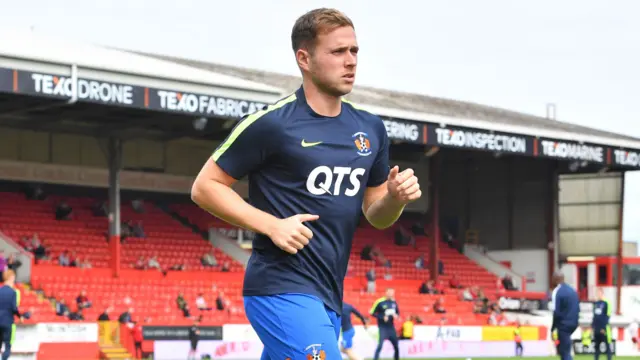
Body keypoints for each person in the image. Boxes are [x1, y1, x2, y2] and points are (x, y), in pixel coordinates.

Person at [190, 8, 421, 360]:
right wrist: (272, 225)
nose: (350, 61)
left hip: (328, 294)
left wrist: (394, 197)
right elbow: (205, 186)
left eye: (354, 51)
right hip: (279, 288)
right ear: (304, 58)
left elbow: (377, 216)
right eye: (337, 52)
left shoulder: (370, 129)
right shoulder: (272, 124)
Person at [550, 271, 579, 360]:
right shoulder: (572, 290)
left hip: (563, 324)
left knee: (564, 352)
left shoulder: (557, 291)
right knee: (565, 348)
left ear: (555, 279)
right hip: (573, 323)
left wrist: (553, 328)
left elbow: (556, 311)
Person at [370, 288, 400, 360]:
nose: (391, 294)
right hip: (382, 327)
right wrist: (382, 317)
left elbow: (398, 313)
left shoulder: (394, 302)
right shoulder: (380, 302)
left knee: (396, 346)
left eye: (392, 293)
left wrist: (396, 316)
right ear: (386, 293)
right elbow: (372, 313)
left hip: (391, 327)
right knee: (380, 346)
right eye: (389, 292)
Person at [0, 270, 22, 360]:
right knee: (7, 347)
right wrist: (20, 316)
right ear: (11, 278)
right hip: (7, 322)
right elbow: (14, 308)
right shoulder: (13, 292)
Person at [592, 288, 612, 360]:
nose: (598, 295)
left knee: (607, 346)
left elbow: (607, 316)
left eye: (599, 293)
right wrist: (593, 326)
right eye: (597, 293)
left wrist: (603, 328)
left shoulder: (606, 303)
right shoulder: (596, 304)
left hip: (604, 328)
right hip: (597, 329)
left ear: (602, 294)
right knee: (596, 347)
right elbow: (594, 316)